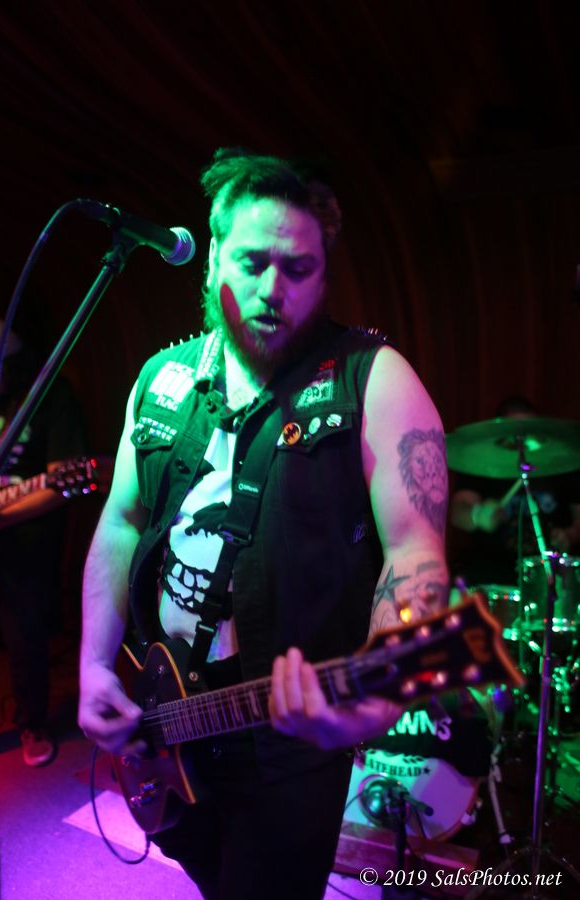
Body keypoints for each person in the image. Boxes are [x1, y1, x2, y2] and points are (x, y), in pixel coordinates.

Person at [78, 149, 449, 900]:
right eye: (251, 262)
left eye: (297, 268)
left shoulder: (374, 379)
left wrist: (376, 697)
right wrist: (92, 663)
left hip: (286, 745)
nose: (272, 288)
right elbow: (121, 520)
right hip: (166, 718)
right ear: (214, 254)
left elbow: (414, 553)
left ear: (324, 272)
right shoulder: (160, 379)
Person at [0, 306, 87, 766]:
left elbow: (62, 482)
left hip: (23, 542)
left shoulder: (47, 396)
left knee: (26, 636)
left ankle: (32, 722)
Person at [450, 396, 580, 588]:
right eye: (514, 434)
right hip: (493, 571)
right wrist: (478, 515)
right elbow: (458, 512)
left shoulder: (563, 464)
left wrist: (570, 535)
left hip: (550, 573)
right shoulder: (481, 464)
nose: (522, 439)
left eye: (528, 433)